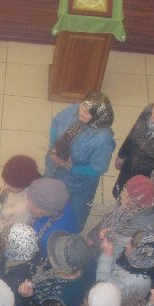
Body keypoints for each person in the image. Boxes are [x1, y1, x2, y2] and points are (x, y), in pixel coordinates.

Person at [45, 91, 116, 231]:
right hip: (54, 167)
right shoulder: (76, 109)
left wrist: (71, 168)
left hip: (77, 182)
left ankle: (70, 229)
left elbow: (98, 168)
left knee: (74, 208)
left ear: (97, 116)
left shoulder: (103, 139)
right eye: (81, 108)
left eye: (86, 113)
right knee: (51, 194)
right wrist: (53, 148)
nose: (80, 113)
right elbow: (56, 122)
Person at [0, 154, 39, 241]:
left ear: (22, 185)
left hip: (1, 236)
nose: (5, 187)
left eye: (9, 185)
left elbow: (9, 233)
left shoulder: (25, 210)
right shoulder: (12, 182)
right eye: (4, 182)